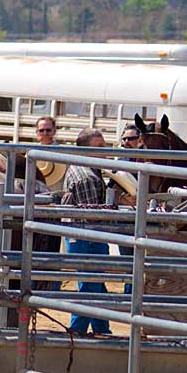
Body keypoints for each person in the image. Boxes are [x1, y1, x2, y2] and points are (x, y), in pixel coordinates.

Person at [61, 128, 112, 336]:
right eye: (99, 147)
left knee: (95, 284)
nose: (104, 151)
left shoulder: (84, 170)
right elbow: (94, 215)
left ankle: (101, 328)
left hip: (79, 235)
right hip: (88, 236)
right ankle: (77, 330)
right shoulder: (87, 176)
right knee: (91, 285)